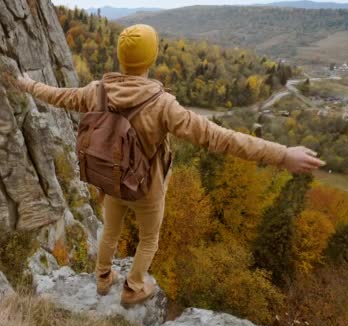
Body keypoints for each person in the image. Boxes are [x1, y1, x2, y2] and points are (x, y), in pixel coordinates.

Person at [16, 24, 325, 307]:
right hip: (146, 188)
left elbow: (57, 96)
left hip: (110, 180)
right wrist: (281, 155)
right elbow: (220, 138)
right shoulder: (163, 105)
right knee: (149, 238)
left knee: (110, 230)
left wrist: (28, 85)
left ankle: (102, 279)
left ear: (121, 57)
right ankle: (133, 287)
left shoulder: (96, 91)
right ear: (150, 59)